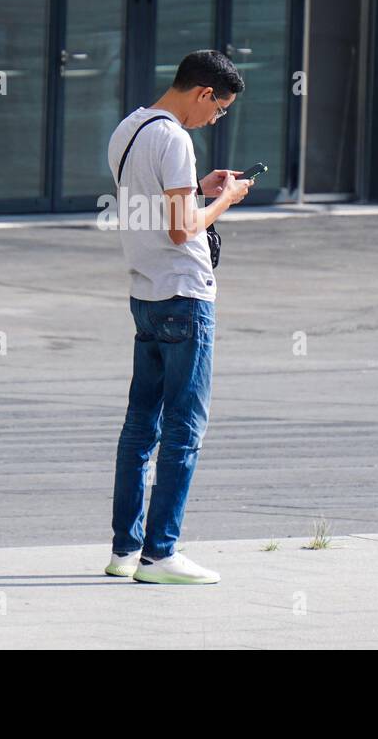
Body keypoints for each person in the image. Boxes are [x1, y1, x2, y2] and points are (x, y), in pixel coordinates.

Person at [103, 49, 252, 584]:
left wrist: (199, 190)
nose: (217, 119)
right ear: (204, 92)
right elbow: (181, 229)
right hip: (185, 295)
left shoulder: (130, 128)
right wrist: (227, 199)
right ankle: (161, 553)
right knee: (185, 427)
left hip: (144, 292)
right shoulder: (175, 138)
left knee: (141, 425)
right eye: (221, 108)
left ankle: (126, 549)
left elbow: (154, 207)